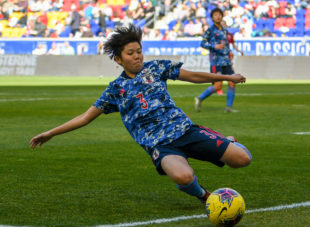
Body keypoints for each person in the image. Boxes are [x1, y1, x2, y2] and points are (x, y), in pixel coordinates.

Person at [30, 24, 252, 206]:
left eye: (139, 51)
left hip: (186, 131)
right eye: (131, 53)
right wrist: (51, 132)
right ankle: (206, 198)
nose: (137, 57)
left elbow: (192, 75)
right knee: (183, 177)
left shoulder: (156, 68)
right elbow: (85, 117)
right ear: (118, 59)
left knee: (243, 159)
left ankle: (226, 141)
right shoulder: (115, 90)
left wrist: (227, 77)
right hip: (161, 146)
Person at [196, 8, 240, 113]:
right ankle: (200, 98)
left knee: (232, 82)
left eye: (219, 14)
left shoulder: (224, 30)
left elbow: (225, 44)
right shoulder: (210, 30)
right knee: (218, 86)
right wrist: (214, 46)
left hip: (226, 61)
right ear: (212, 17)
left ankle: (228, 107)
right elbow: (202, 43)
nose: (218, 16)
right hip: (216, 62)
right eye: (215, 15)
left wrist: (229, 52)